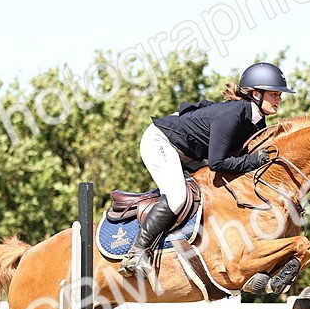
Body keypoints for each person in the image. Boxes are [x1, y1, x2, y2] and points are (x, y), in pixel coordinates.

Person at [120, 61, 295, 278]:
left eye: (280, 95)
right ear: (256, 93)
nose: (279, 99)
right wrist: (254, 161)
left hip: (190, 151)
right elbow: (217, 163)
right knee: (177, 196)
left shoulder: (256, 122)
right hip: (161, 141)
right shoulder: (234, 115)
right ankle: (137, 252)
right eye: (275, 94)